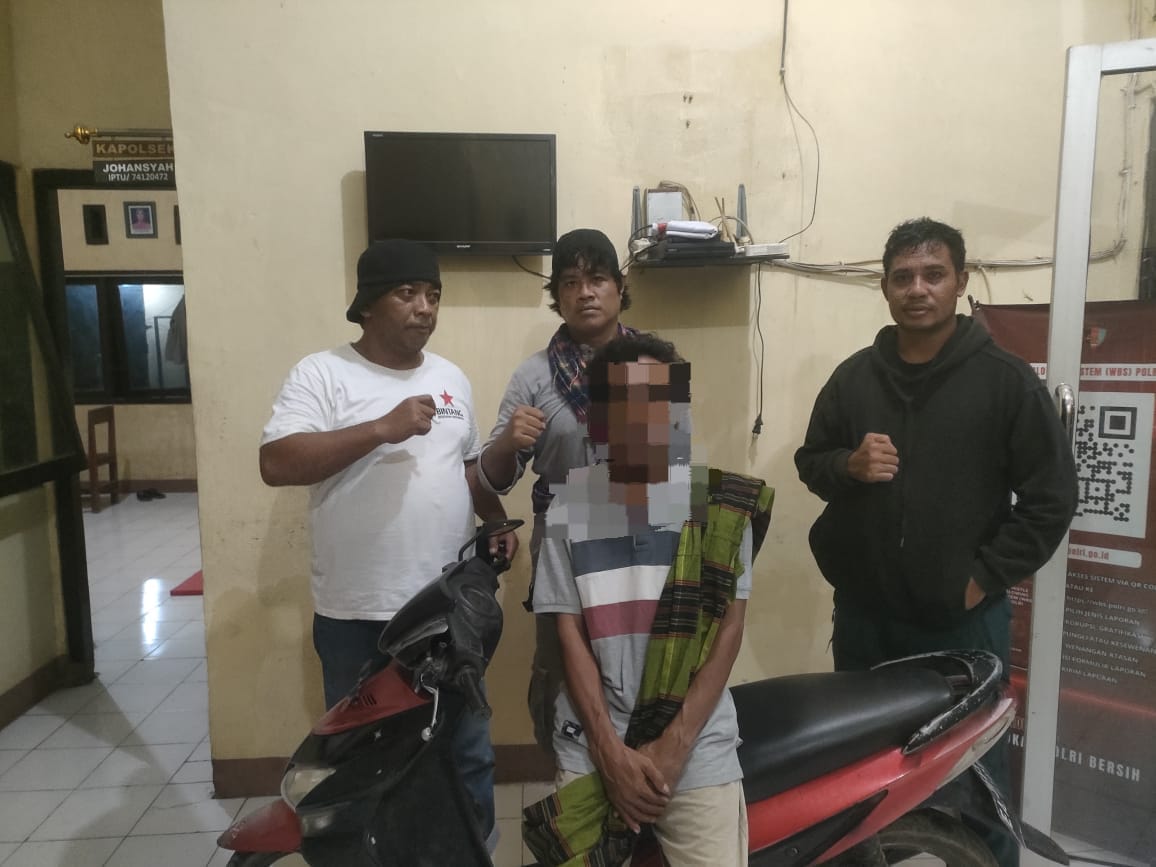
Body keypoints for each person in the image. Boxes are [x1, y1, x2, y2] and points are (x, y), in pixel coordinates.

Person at [794, 217, 1078, 867]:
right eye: (903, 277)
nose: (917, 289)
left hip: (963, 622)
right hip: (865, 617)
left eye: (933, 274)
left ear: (960, 281)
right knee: (859, 776)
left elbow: (1052, 498)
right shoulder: (853, 378)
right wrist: (847, 465)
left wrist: (980, 578)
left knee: (977, 778)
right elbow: (812, 462)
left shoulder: (1005, 382)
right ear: (884, 287)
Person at [258, 238, 517, 847]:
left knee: (467, 755)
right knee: (362, 767)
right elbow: (276, 462)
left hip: (447, 615)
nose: (425, 307)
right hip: (359, 619)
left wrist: (495, 520)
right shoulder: (322, 373)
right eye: (408, 293)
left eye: (433, 295)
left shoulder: (451, 378)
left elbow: (465, 470)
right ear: (369, 304)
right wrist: (381, 428)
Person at [523, 333, 773, 867]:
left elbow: (728, 631)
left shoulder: (721, 505)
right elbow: (569, 634)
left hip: (695, 744)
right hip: (592, 741)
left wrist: (675, 746)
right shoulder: (569, 508)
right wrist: (608, 751)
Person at [476, 228, 637, 753]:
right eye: (570, 282)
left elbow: (671, 473)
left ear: (619, 287)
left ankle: (632, 765)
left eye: (597, 279)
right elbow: (492, 478)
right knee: (560, 666)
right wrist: (507, 442)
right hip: (561, 552)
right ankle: (564, 767)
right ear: (557, 296)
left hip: (639, 546)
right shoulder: (533, 376)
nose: (584, 292)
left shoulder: (651, 363)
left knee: (636, 662)